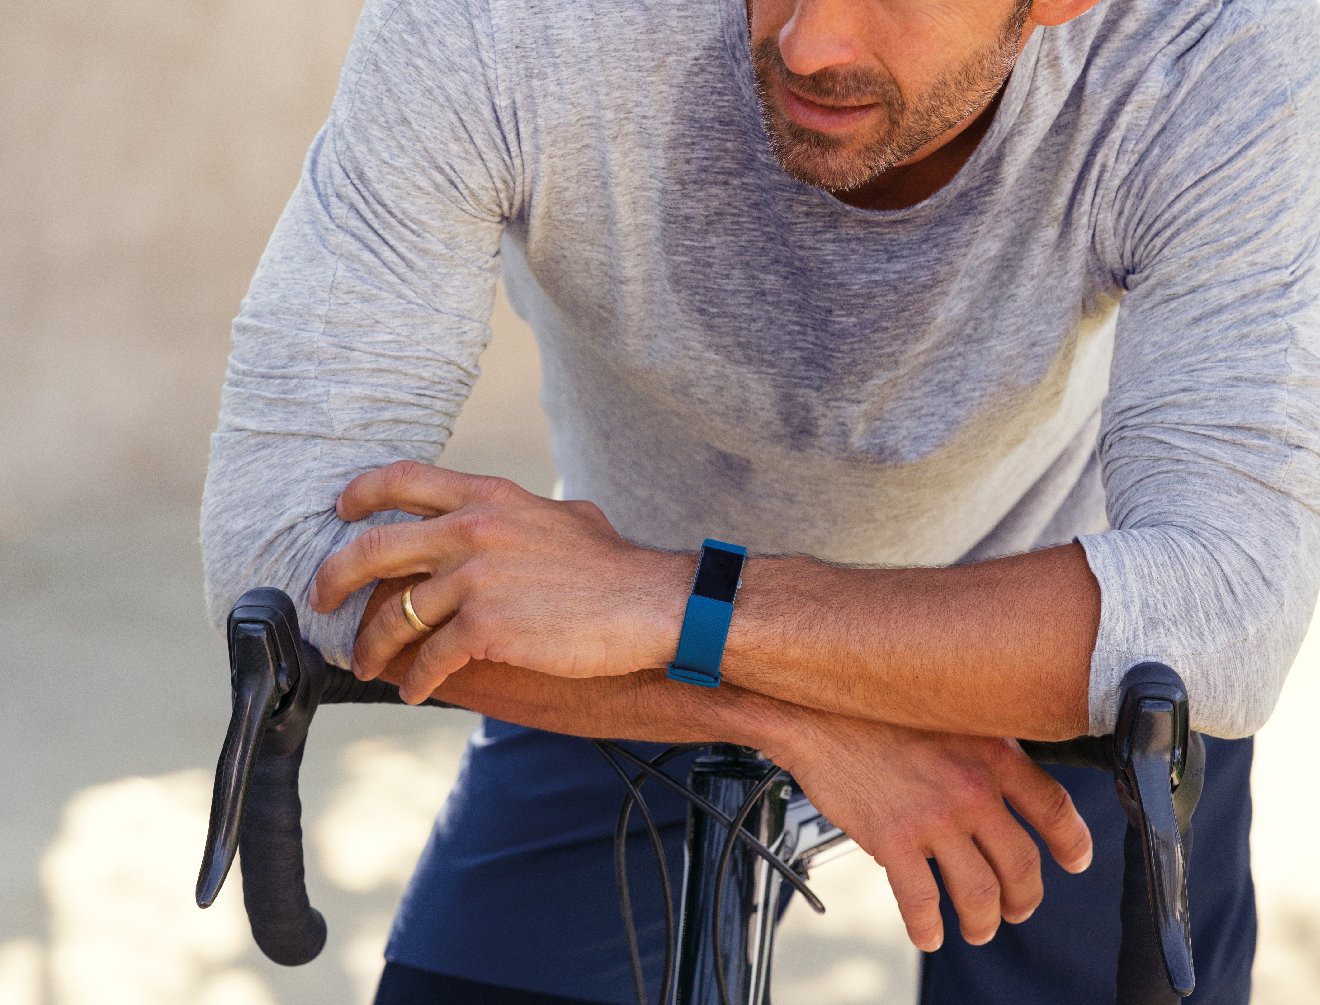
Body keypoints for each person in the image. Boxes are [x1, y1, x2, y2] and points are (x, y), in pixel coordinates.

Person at [202, 0, 1320, 1001]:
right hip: (603, 636)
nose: (808, 42)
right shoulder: (504, 19)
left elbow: (1225, 607)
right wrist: (770, 703)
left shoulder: (1216, 40)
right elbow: (284, 543)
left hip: (1043, 642)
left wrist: (683, 611)